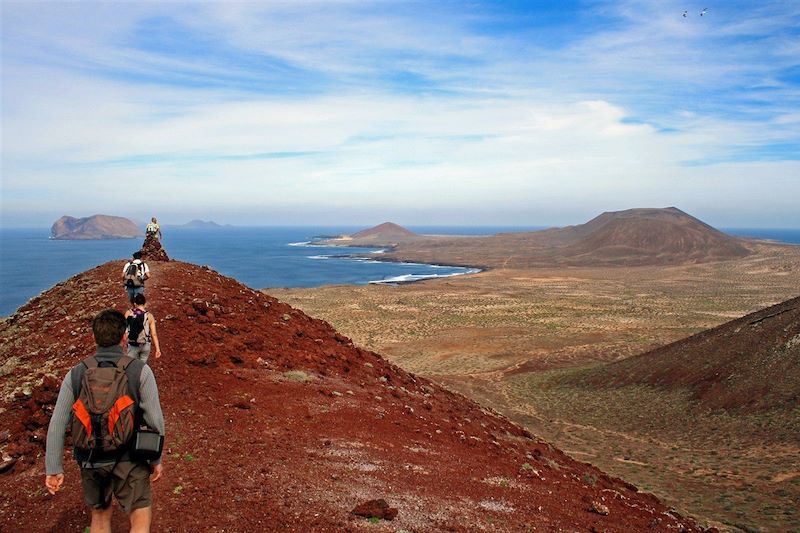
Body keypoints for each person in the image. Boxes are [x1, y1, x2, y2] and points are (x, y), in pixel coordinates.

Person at [45, 309, 165, 533]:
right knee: (139, 516)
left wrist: (53, 468)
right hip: (131, 458)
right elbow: (155, 420)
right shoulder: (140, 371)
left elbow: (58, 422)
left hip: (91, 459)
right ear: (124, 337)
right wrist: (156, 458)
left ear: (94, 337)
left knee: (99, 517)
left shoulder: (77, 373)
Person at [125, 294, 162, 364]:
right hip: (145, 345)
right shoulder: (149, 316)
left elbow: (124, 330)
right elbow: (154, 334)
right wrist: (158, 349)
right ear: (145, 303)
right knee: (142, 367)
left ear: (135, 304)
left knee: (131, 366)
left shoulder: (129, 313)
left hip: (133, 344)